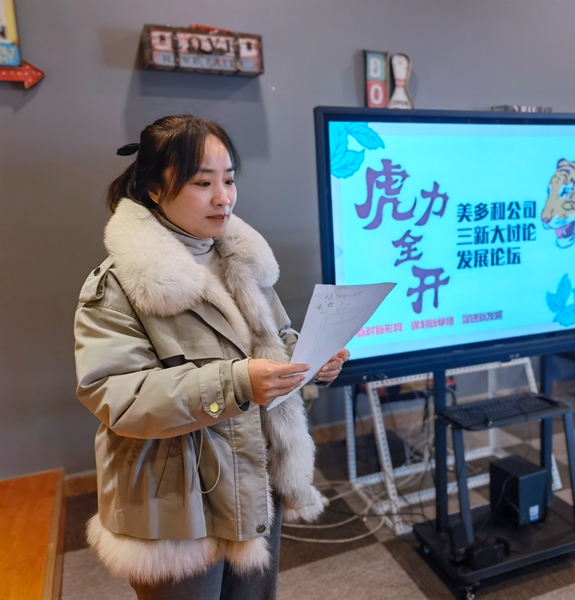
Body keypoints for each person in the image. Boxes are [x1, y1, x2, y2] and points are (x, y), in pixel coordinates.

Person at [74, 115, 349, 600]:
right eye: (203, 183)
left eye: (229, 180)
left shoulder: (240, 260)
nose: (223, 198)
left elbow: (275, 338)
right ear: (155, 188)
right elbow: (116, 396)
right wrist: (236, 383)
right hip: (174, 502)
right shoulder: (119, 283)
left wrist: (310, 360)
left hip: (253, 474)